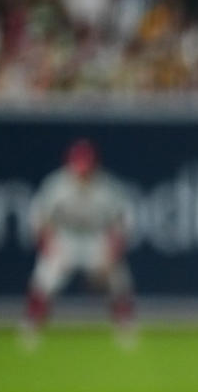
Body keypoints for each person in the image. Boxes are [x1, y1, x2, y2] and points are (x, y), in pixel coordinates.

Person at [23, 138, 135, 346]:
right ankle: (31, 328)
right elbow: (39, 219)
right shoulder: (56, 185)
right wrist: (50, 247)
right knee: (44, 279)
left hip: (96, 238)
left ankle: (125, 328)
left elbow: (122, 222)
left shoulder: (107, 188)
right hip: (64, 238)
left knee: (119, 279)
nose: (82, 173)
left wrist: (112, 253)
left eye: (86, 168)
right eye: (79, 167)